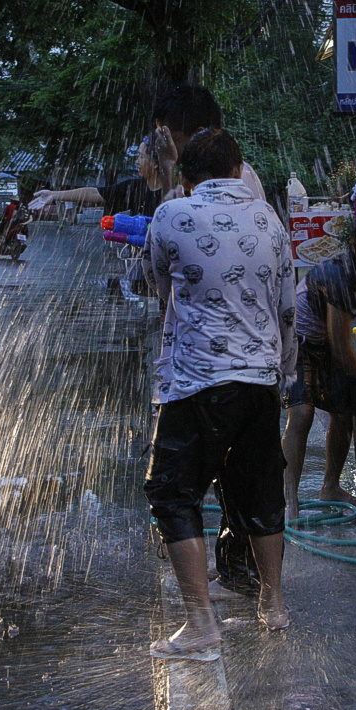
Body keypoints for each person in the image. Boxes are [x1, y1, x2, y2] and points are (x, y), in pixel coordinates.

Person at [142, 128, 297, 660]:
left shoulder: (170, 216)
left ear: (184, 177)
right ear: (238, 170)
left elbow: (161, 286)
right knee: (259, 492)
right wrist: (283, 373)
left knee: (172, 493)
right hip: (260, 383)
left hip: (197, 382)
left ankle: (202, 625)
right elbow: (286, 305)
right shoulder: (270, 219)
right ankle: (273, 606)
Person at [150, 83, 268, 599]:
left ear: (186, 132)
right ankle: (254, 586)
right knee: (239, 473)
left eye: (165, 134)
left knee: (184, 484)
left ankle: (231, 581)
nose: (160, 142)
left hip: (215, 362)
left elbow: (175, 260)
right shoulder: (234, 180)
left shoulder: (226, 183)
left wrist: (166, 176)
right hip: (248, 359)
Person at [283, 212, 356, 520]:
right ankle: (289, 499)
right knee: (302, 413)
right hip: (300, 342)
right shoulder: (340, 275)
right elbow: (340, 345)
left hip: (326, 343)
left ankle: (330, 487)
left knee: (344, 412)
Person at [151, 83, 266, 203]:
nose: (163, 145)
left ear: (199, 135)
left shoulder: (229, 174)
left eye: (167, 136)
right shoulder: (200, 172)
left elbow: (171, 218)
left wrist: (167, 165)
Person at [28, 134, 163, 217]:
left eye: (141, 156)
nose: (137, 161)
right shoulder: (134, 188)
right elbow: (94, 193)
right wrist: (54, 194)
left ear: (156, 163)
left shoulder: (174, 194)